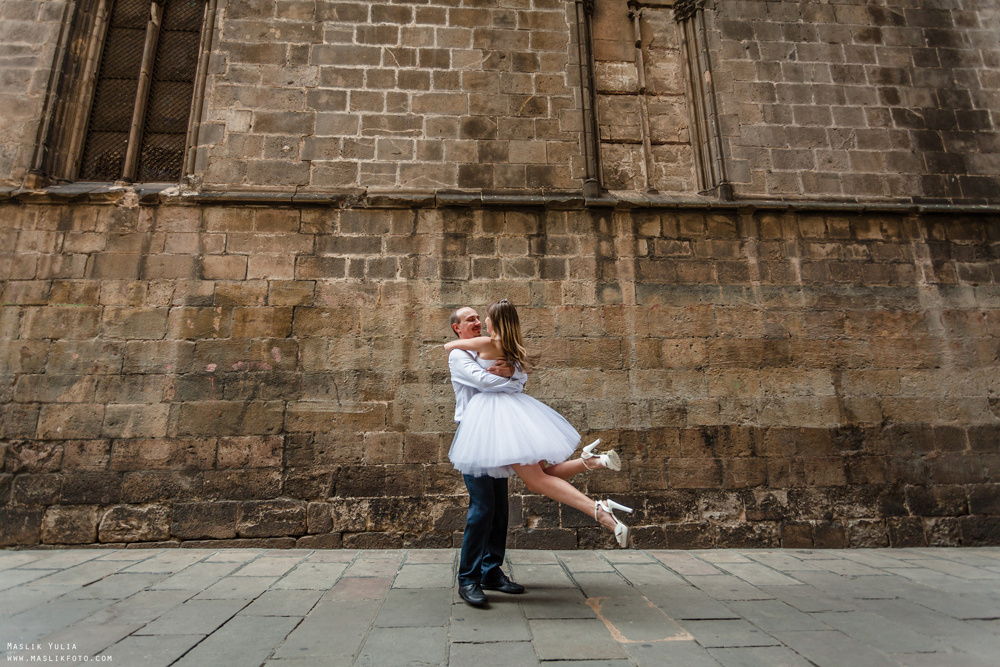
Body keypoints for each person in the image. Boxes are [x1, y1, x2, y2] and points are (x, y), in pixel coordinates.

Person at [446, 300, 631, 603]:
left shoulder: (494, 346)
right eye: (470, 320)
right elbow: (484, 381)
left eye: (479, 318)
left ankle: (491, 571)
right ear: (457, 328)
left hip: (502, 431)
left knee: (500, 509)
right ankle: (468, 578)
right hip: (476, 436)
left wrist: (511, 376)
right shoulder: (459, 354)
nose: (477, 323)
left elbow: (521, 380)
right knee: (482, 509)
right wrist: (508, 377)